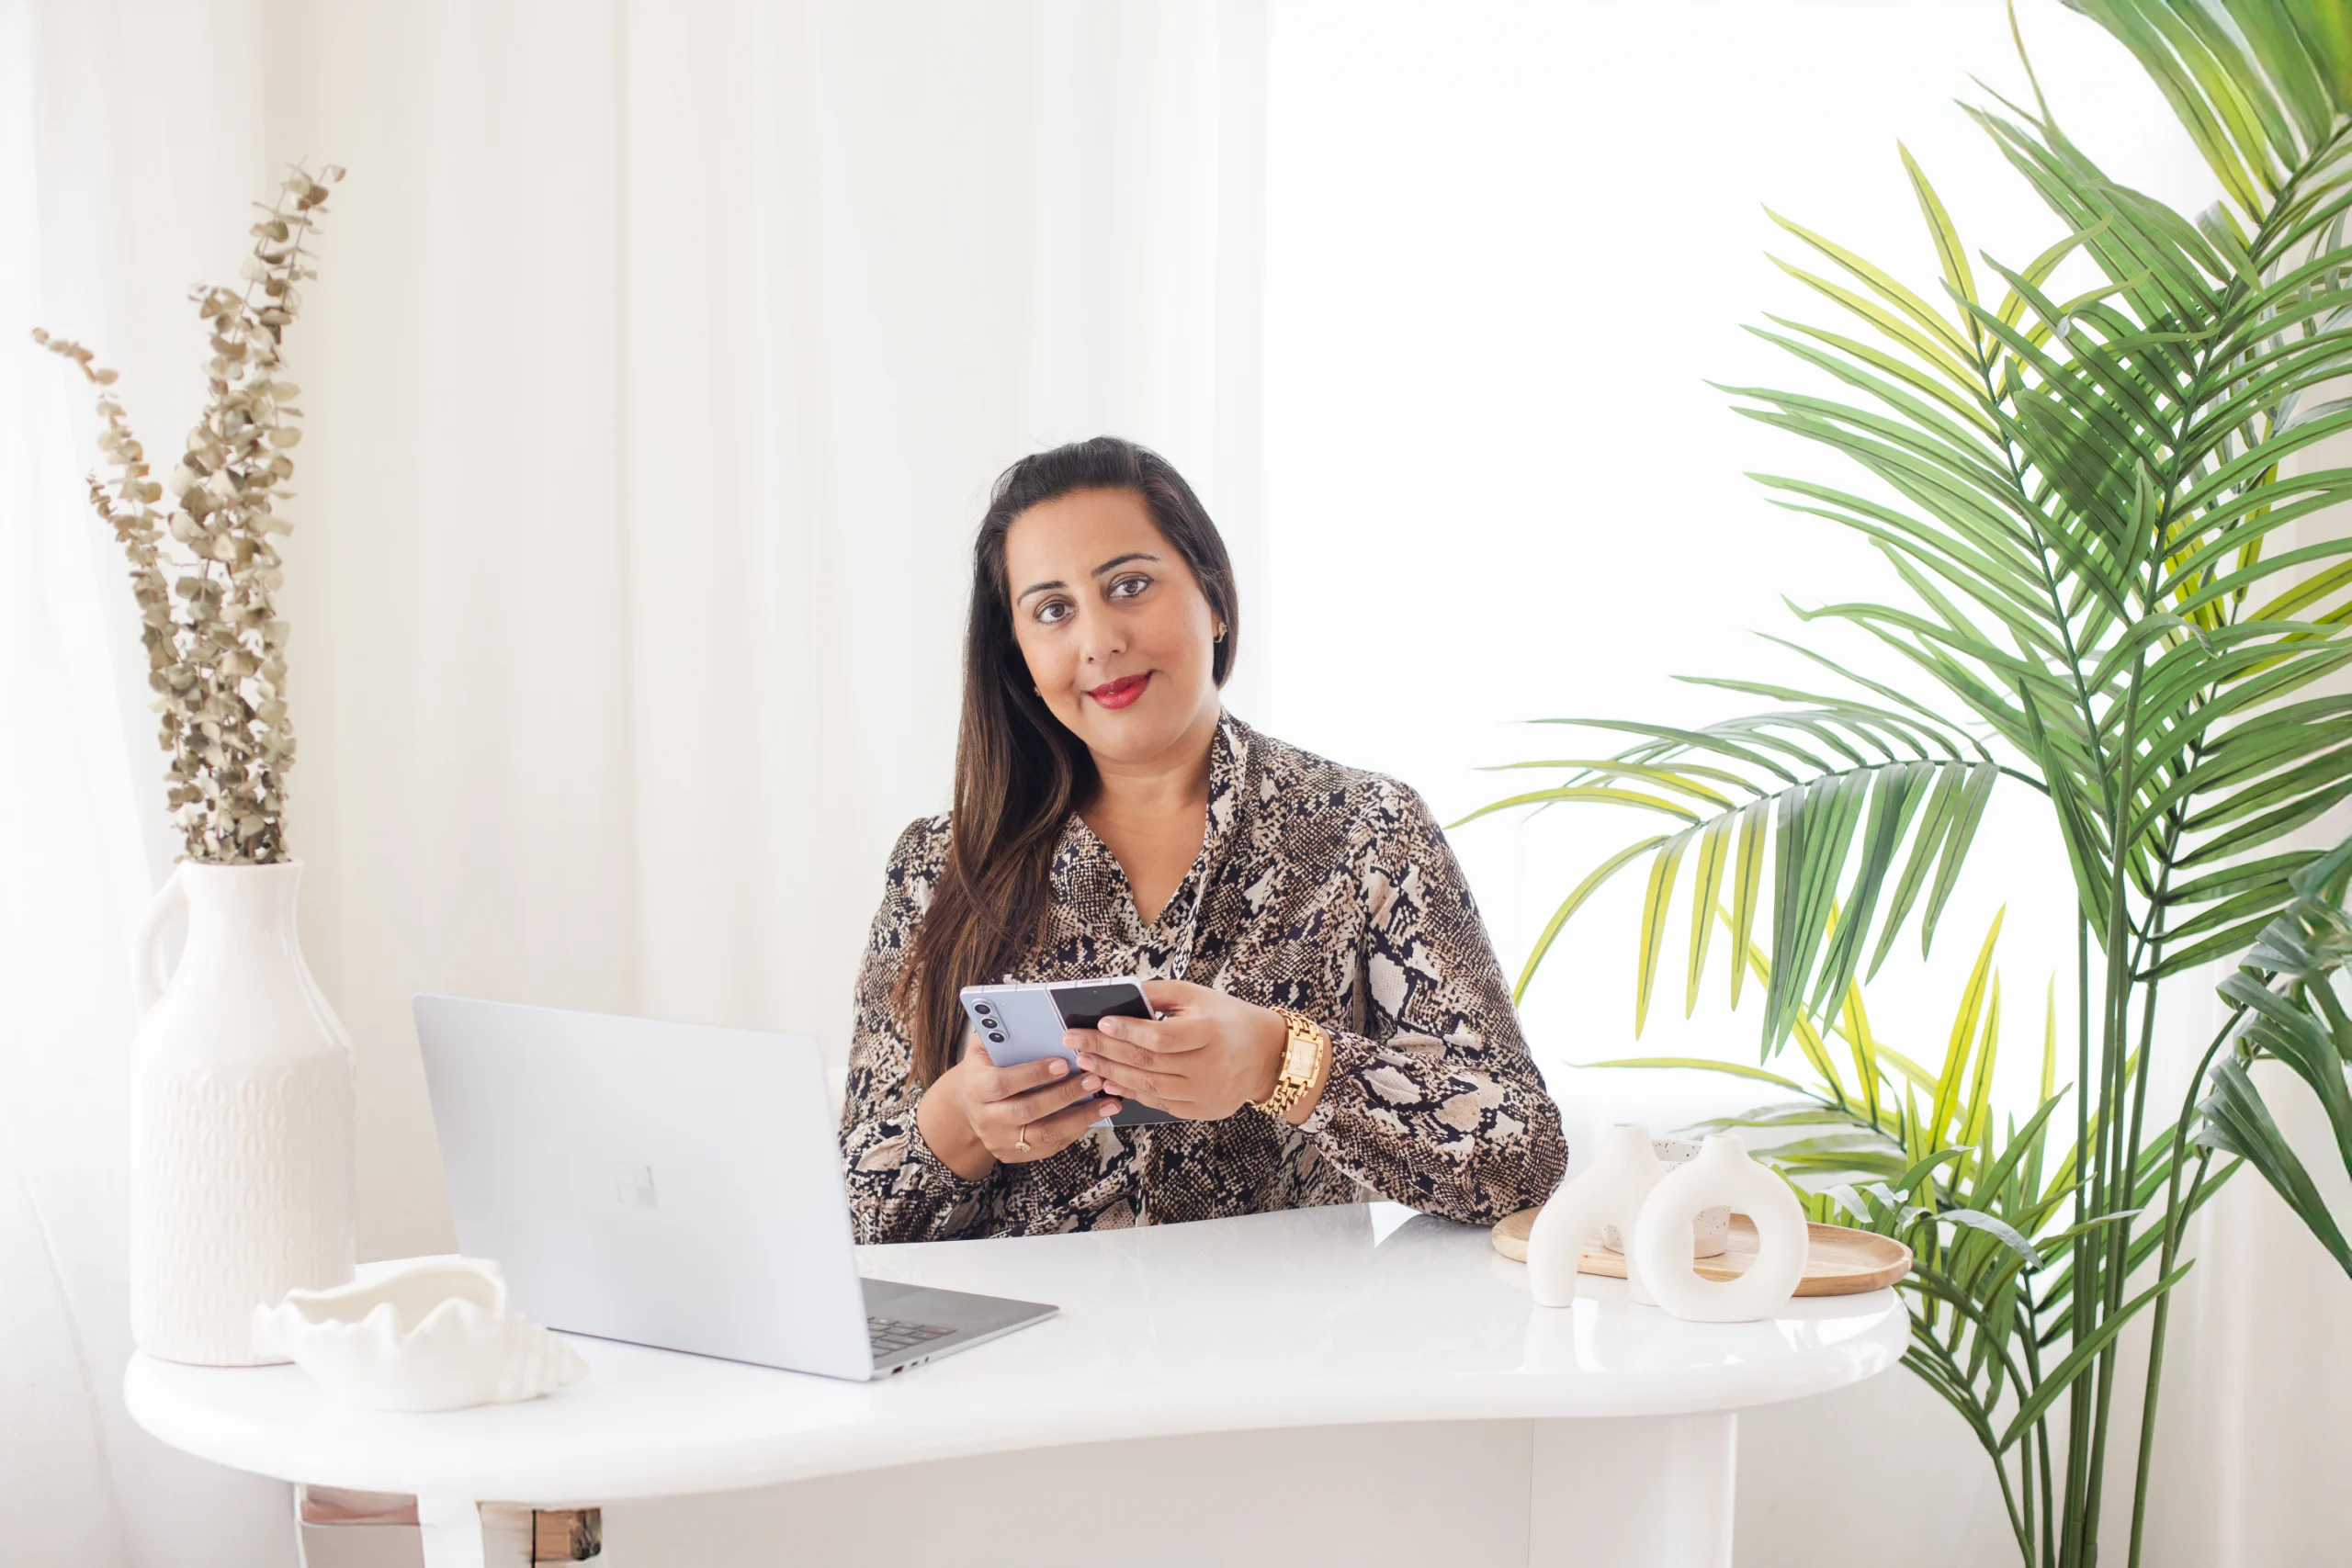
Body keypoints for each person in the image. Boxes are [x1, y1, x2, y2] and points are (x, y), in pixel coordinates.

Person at [839, 435, 1566, 1241]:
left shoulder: (1368, 830)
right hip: (1022, 1358)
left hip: (1292, 1355)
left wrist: (1280, 1061)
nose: (1098, 641)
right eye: (1052, 609)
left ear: (1213, 599)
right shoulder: (937, 867)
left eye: (1130, 585)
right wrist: (962, 1121)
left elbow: (1524, 1157)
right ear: (1021, 656)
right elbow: (843, 1222)